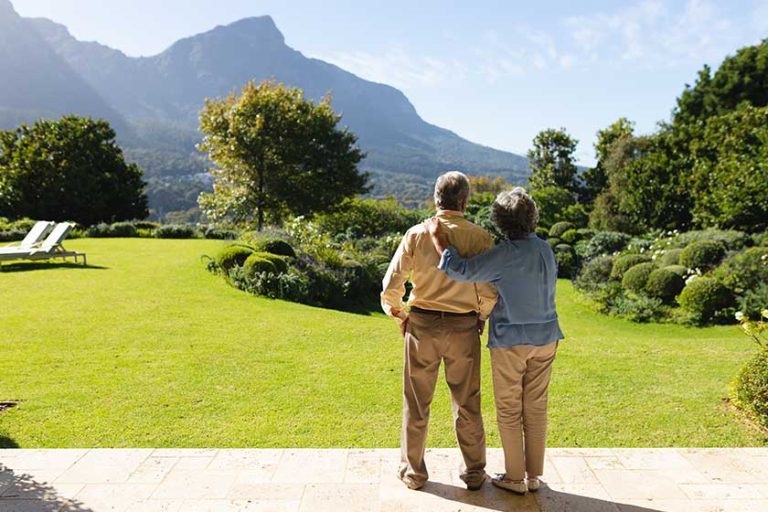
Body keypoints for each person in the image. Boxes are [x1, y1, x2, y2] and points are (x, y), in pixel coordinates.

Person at [426, 186, 563, 495]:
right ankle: (533, 476)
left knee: (509, 409)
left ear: (500, 220)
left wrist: (440, 241)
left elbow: (461, 270)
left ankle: (514, 477)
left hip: (511, 341)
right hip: (547, 338)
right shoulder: (545, 249)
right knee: (536, 408)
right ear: (532, 217)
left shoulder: (504, 254)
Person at [381, 171, 498, 491]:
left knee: (416, 402)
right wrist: (481, 316)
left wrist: (400, 316)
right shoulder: (479, 237)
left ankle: (413, 473)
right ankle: (473, 473)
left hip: (422, 325)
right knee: (468, 402)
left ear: (436, 199)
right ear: (465, 201)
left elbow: (390, 287)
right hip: (463, 326)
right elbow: (489, 290)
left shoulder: (416, 234)